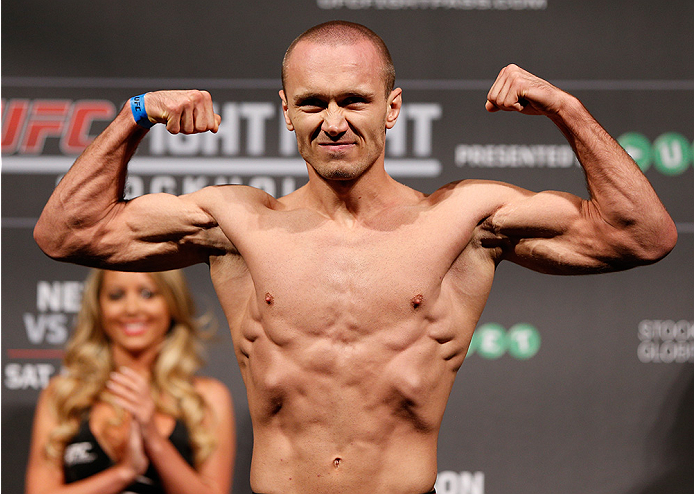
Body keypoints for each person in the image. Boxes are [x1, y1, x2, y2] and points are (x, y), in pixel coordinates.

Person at [33, 20, 677, 494]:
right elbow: (66, 234)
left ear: (392, 108)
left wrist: (568, 111)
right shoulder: (237, 222)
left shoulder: (464, 222)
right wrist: (136, 116)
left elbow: (642, 237)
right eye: (313, 103)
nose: (333, 121)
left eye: (354, 101)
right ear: (286, 112)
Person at [25, 269, 236, 494]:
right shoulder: (63, 395)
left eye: (148, 294)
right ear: (98, 306)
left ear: (172, 302)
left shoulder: (208, 398)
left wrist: (153, 439)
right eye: (116, 295)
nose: (132, 308)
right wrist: (125, 472)